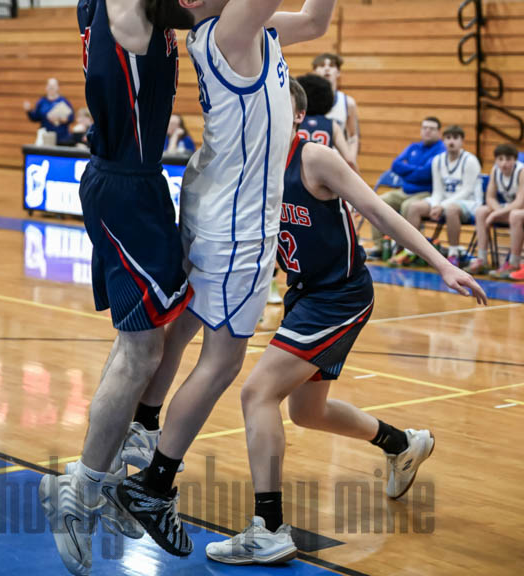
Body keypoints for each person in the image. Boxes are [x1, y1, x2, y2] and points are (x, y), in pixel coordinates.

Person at [117, 0, 367, 556]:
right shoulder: (230, 24)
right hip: (235, 225)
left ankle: (143, 426)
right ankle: (154, 481)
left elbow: (315, 19)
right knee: (223, 360)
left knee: (195, 329)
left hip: (214, 208)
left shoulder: (240, 24)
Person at [37, 0, 234, 576]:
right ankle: (84, 486)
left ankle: (133, 443)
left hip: (136, 181)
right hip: (124, 182)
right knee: (142, 344)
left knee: (175, 317)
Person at [203, 81, 487, 565]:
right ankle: (402, 444)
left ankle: (268, 528)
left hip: (340, 295)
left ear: (297, 116)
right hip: (304, 294)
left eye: (275, 104)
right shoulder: (253, 165)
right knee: (307, 412)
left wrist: (443, 264)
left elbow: (377, 210)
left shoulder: (315, 158)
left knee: (256, 394)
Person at [400, 125, 481, 266]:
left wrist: (442, 206)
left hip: (469, 203)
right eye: (448, 138)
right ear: (443, 141)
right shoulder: (437, 160)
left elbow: (467, 191)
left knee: (451, 209)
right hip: (444, 201)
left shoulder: (470, 160)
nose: (451, 141)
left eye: (455, 138)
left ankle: (453, 254)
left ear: (462, 141)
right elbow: (437, 190)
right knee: (414, 207)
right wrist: (436, 205)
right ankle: (411, 251)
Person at [368, 116, 444, 259]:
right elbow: (395, 165)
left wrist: (408, 171)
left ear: (439, 132)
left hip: (425, 192)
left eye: (432, 129)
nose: (427, 131)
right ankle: (380, 246)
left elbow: (426, 173)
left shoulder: (441, 150)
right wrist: (416, 171)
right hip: (404, 190)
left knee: (408, 206)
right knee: (378, 201)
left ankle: (403, 249)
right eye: (425, 128)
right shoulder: (413, 147)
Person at [467, 143, 524, 278]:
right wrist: (498, 211)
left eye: (508, 159)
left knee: (515, 215)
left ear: (515, 160)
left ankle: (513, 263)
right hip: (510, 209)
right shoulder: (495, 171)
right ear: (496, 160)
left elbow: (520, 202)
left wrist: (496, 214)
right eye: (500, 159)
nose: (504, 163)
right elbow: (490, 197)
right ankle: (482, 260)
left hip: (519, 210)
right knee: (481, 211)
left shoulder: (521, 172)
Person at [295, 72, 356, 167]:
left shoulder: (294, 123)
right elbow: (349, 160)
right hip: (323, 173)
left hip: (296, 172)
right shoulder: (332, 125)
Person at [312, 52, 359, 161]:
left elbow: (353, 136)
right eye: (322, 65)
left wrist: (351, 159)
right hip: (311, 159)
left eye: (331, 66)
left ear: (338, 72)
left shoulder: (348, 102)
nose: (327, 69)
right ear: (314, 71)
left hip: (337, 161)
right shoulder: (304, 100)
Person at [23, 78, 74, 143]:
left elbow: (71, 118)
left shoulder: (63, 101)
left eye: (53, 86)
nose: (51, 87)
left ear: (58, 87)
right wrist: (29, 111)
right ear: (46, 87)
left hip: (61, 137)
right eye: (50, 85)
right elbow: (35, 117)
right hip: (46, 136)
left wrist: (59, 119)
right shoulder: (42, 101)